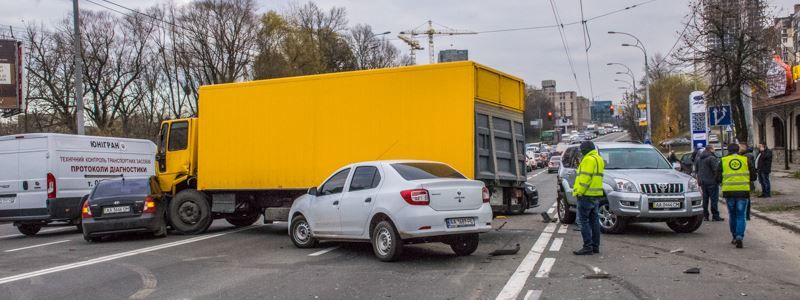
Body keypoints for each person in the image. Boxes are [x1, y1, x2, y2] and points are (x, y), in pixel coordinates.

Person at [572, 141, 605, 256]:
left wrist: (579, 192)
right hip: (595, 195)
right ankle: (595, 246)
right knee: (594, 221)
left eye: (582, 149)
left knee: (583, 221)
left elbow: (585, 178)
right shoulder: (598, 159)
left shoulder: (588, 160)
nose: (581, 152)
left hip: (585, 195)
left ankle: (587, 247)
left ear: (586, 149)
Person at [721, 143, 756, 249]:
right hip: (743, 191)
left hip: (729, 192)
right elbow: (753, 176)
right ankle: (740, 236)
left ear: (728, 150)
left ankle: (734, 236)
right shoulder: (745, 160)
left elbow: (717, 176)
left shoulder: (723, 160)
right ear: (738, 150)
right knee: (741, 215)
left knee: (732, 215)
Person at [696, 148, 723, 221]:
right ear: (710, 149)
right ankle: (715, 215)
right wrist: (719, 180)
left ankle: (705, 216)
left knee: (705, 200)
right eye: (713, 149)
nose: (714, 150)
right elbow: (716, 170)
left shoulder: (699, 159)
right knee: (714, 200)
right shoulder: (712, 158)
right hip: (712, 182)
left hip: (702, 182)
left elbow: (697, 170)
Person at [739, 143, 755, 221]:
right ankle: (746, 215)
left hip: (745, 180)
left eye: (740, 146)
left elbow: (751, 169)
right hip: (744, 181)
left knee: (746, 199)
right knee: (745, 198)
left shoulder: (746, 156)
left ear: (744, 147)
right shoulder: (744, 155)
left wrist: (751, 179)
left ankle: (746, 215)